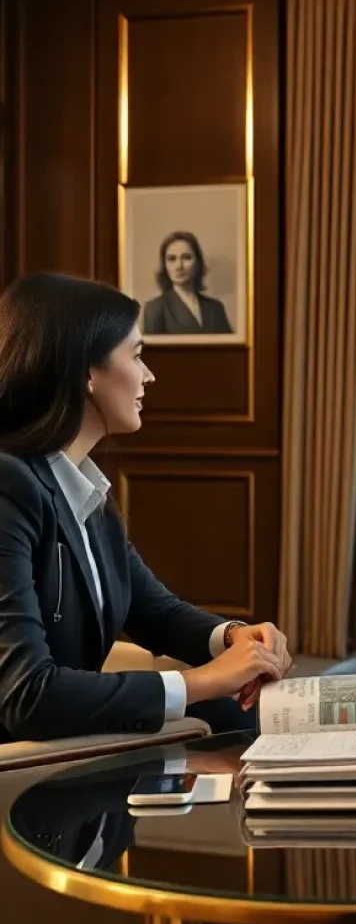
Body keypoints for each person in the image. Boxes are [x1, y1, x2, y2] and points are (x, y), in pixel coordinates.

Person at [0, 272, 290, 742]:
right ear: (86, 372)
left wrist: (234, 636)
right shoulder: (9, 486)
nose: (149, 374)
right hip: (29, 765)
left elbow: (156, 612)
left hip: (69, 739)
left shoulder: (83, 488)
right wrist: (202, 681)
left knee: (256, 715)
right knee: (232, 712)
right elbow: (27, 695)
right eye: (136, 356)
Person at [142, 231, 233, 335]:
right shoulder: (156, 308)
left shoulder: (215, 308)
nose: (179, 266)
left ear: (198, 263)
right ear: (165, 265)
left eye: (186, 257)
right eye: (171, 259)